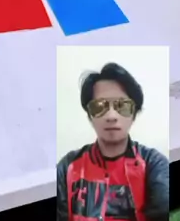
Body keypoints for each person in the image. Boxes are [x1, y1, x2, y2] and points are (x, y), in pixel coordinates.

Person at [57, 62, 169, 221]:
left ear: (134, 113)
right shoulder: (67, 167)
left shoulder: (154, 164)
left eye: (122, 105)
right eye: (99, 106)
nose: (111, 116)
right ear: (90, 115)